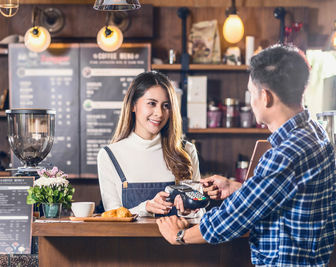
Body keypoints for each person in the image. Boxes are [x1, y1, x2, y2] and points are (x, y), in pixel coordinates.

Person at [157, 44, 336, 266]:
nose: (251, 101)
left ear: (265, 97)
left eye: (251, 93)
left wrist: (180, 236)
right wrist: (237, 188)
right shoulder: (317, 133)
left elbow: (233, 218)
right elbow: (290, 194)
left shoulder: (284, 154)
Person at [97, 71, 200, 217]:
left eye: (166, 106)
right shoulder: (109, 155)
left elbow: (200, 212)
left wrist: (189, 211)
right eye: (152, 103)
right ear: (133, 105)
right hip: (128, 240)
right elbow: (112, 215)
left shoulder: (186, 150)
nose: (159, 113)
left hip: (177, 239)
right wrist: (145, 207)